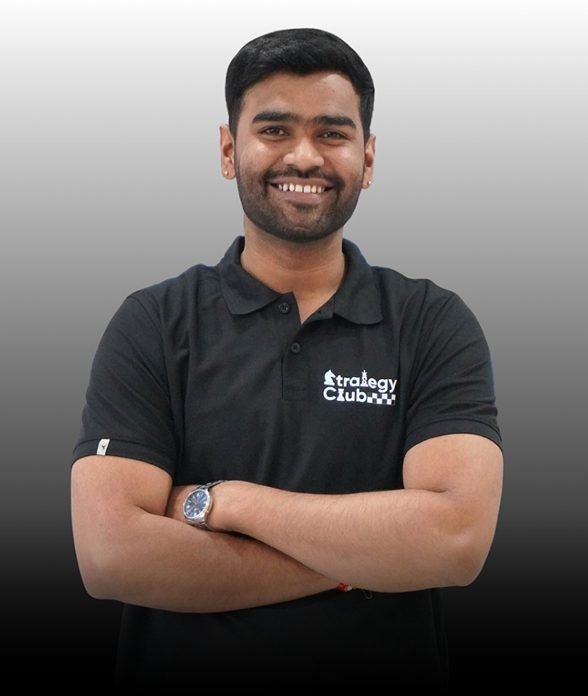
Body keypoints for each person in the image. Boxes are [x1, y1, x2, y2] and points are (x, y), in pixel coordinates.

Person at [71, 27, 503, 689]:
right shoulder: (153, 323)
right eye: (274, 130)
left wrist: (229, 503)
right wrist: (363, 560)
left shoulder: (431, 322)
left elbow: (455, 540)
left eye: (332, 133)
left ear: (368, 158)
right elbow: (110, 556)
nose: (304, 156)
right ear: (228, 150)